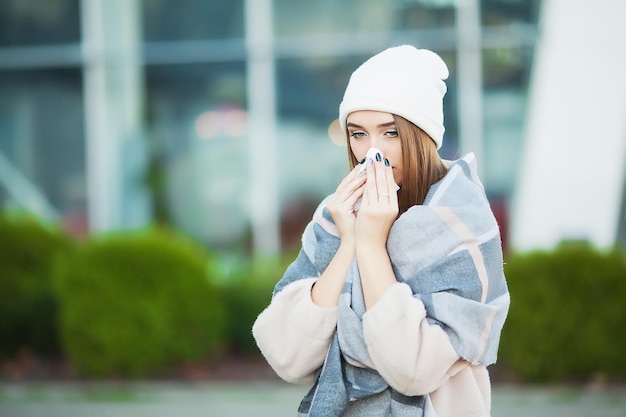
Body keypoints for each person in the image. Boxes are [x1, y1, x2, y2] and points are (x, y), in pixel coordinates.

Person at [252, 44, 510, 417]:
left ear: (422, 135)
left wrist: (372, 247)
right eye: (358, 135)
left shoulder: (461, 224)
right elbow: (287, 355)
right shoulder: (335, 218)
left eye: (390, 133)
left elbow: (414, 370)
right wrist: (350, 242)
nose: (373, 154)